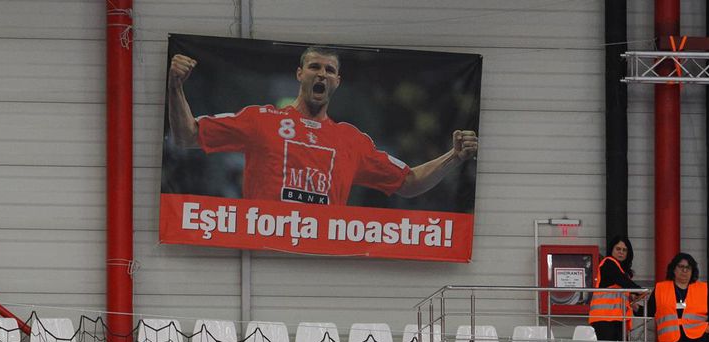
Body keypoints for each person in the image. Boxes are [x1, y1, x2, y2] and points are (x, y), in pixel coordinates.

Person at [167, 45, 479, 205]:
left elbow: (409, 182)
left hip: (322, 259)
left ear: (337, 81)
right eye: (314, 66)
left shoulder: (350, 140)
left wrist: (454, 157)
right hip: (260, 251)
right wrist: (175, 87)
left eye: (329, 69)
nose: (321, 74)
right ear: (299, 74)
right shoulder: (260, 120)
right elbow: (187, 136)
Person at [587, 235, 646, 342]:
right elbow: (621, 280)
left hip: (616, 318)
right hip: (603, 316)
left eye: (624, 250)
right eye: (618, 249)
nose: (621, 252)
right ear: (611, 250)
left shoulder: (622, 272)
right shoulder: (608, 263)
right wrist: (638, 289)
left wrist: (635, 301)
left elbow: (622, 287)